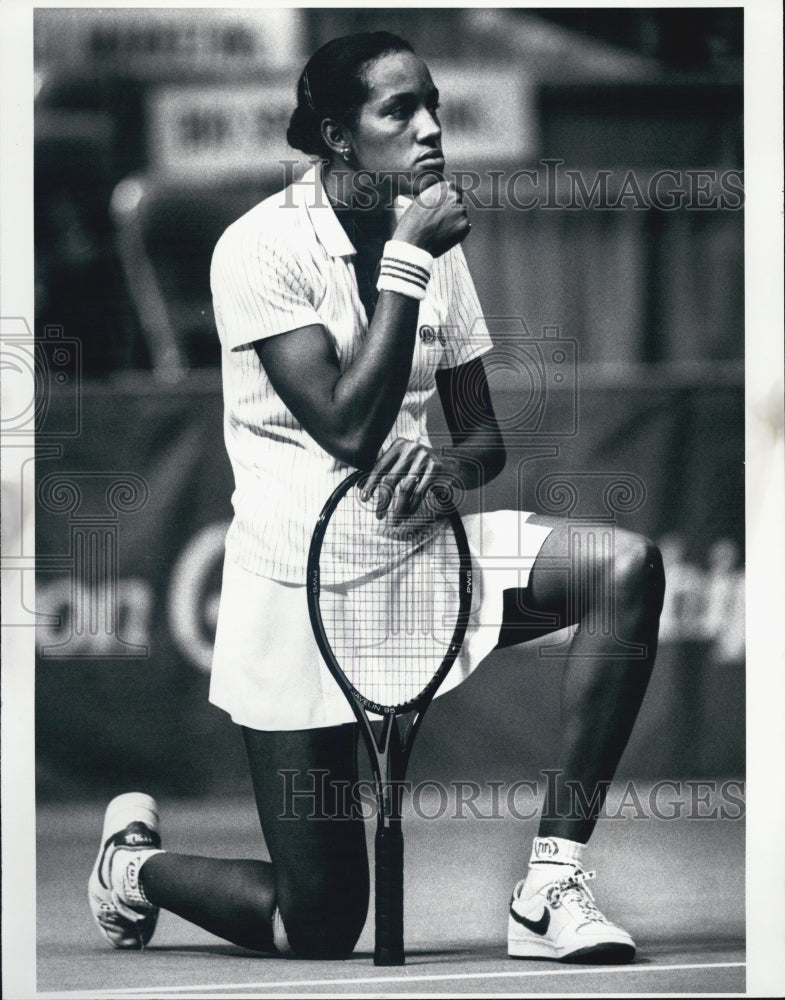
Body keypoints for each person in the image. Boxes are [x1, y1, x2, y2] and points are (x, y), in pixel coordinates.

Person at [89, 32, 665, 963]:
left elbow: (481, 443)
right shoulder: (260, 249)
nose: (431, 127)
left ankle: (549, 886)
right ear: (338, 137)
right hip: (298, 596)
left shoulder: (436, 247)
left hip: (418, 562)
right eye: (399, 110)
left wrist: (441, 470)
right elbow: (349, 430)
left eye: (432, 103)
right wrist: (404, 258)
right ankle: (132, 868)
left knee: (620, 571)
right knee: (316, 925)